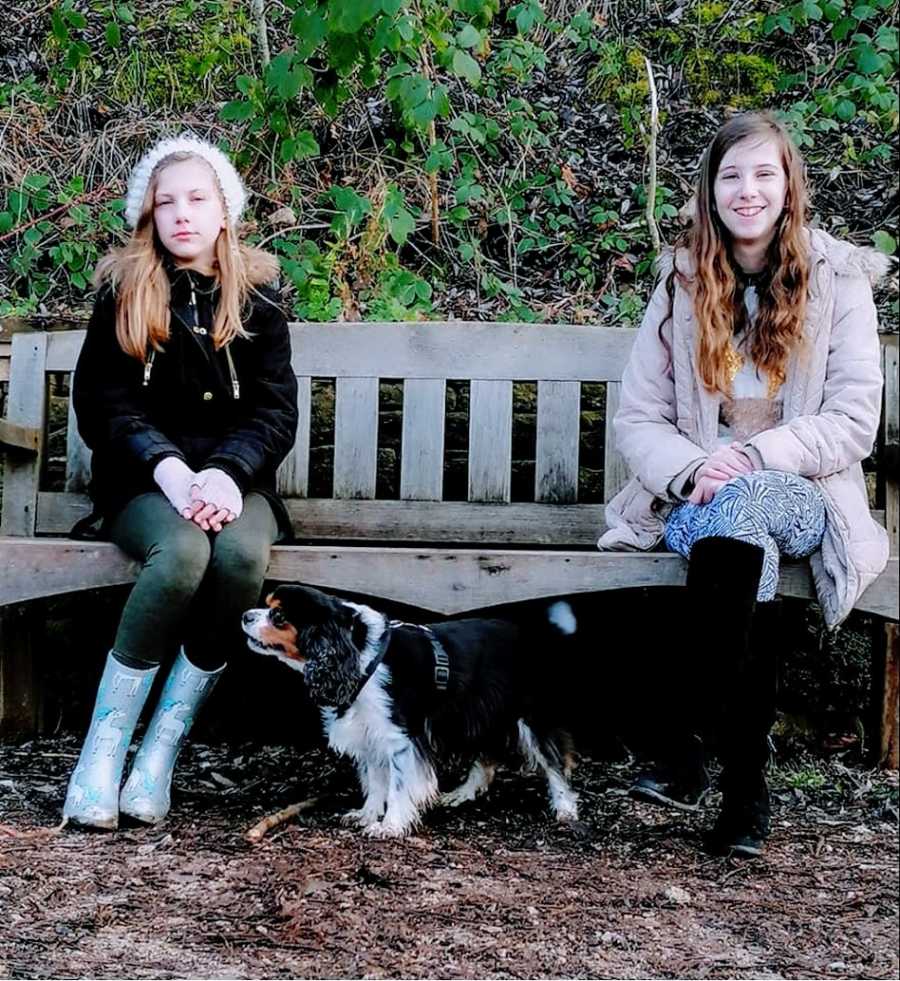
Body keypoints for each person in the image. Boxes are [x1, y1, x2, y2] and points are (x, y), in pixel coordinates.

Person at [598, 111, 890, 857]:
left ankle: (685, 736)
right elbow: (640, 417)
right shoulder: (682, 281)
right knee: (736, 530)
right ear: (710, 190)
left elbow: (853, 419)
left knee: (748, 507)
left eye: (764, 173)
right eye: (732, 175)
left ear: (789, 185)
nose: (747, 190)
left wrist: (758, 457)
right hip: (696, 493)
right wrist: (697, 466)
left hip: (802, 486)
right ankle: (745, 794)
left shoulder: (838, 279)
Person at [62, 134, 298, 829]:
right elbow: (104, 402)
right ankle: (101, 756)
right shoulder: (123, 293)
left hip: (237, 487)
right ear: (149, 216)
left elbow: (275, 408)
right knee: (184, 554)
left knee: (240, 555)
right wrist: (168, 468)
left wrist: (226, 473)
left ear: (225, 211)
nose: (182, 214)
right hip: (143, 486)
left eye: (198, 199)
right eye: (167, 203)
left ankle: (158, 753)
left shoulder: (258, 297)